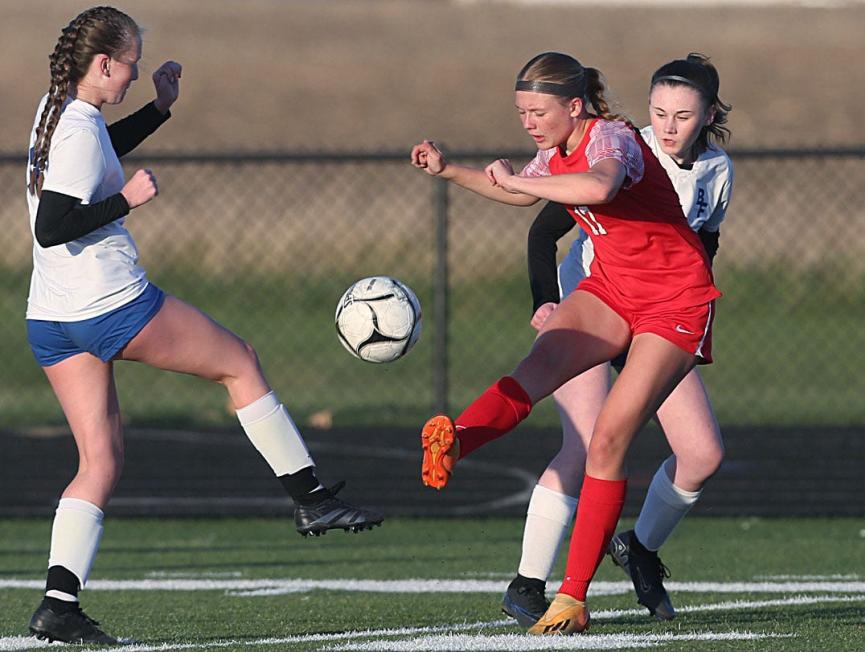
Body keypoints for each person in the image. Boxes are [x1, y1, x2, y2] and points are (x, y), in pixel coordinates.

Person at [24, 6, 382, 645]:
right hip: (108, 306)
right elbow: (51, 228)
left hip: (52, 319)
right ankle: (312, 497)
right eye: (131, 64)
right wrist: (126, 201)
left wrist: (159, 109)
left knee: (99, 460)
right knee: (239, 361)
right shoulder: (77, 129)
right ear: (104, 64)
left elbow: (96, 156)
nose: (135, 73)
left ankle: (58, 603)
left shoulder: (59, 114)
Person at [411, 51, 720, 635]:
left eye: (537, 112)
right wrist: (451, 171)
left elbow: (599, 188)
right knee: (537, 367)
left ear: (573, 106)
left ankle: (572, 598)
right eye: (522, 111)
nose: (528, 122)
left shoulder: (612, 140)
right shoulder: (557, 148)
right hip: (612, 287)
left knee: (607, 438)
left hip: (674, 301)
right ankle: (456, 445)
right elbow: (524, 195)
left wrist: (524, 178)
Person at [502, 53, 733, 628]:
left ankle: (639, 549)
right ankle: (529, 584)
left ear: (708, 115)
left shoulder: (717, 169)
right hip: (598, 303)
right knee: (587, 442)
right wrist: (544, 302)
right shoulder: (626, 149)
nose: (669, 126)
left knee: (702, 454)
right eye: (659, 113)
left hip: (660, 313)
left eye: (683, 114)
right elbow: (544, 228)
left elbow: (701, 247)